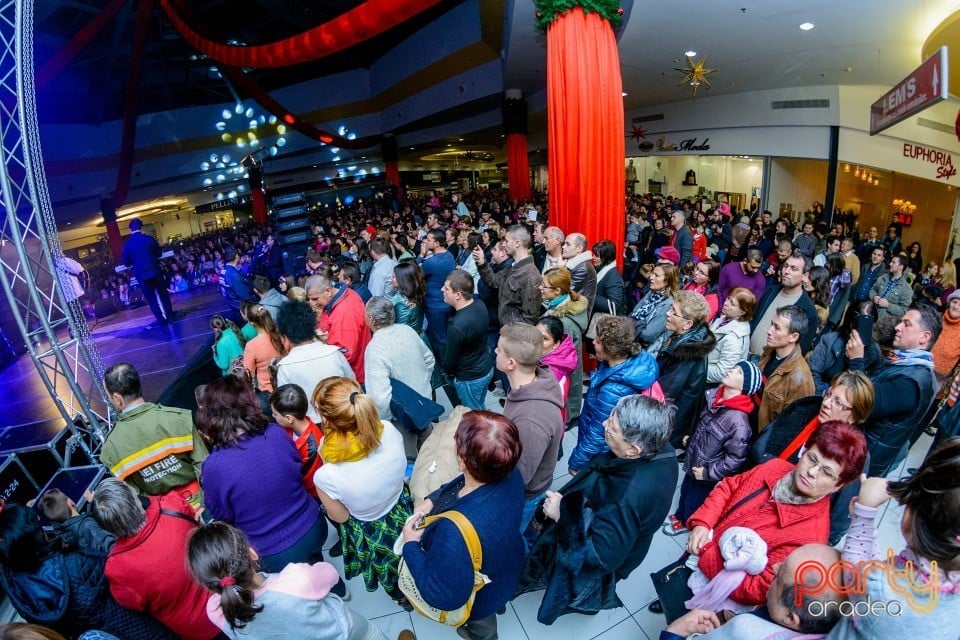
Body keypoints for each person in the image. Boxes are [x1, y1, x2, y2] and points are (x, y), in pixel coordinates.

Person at [652, 422, 867, 613]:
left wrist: (707, 551)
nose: (812, 472)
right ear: (804, 451)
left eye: (827, 472)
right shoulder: (776, 467)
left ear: (839, 485)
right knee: (674, 588)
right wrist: (703, 523)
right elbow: (729, 487)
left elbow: (757, 588)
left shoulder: (810, 538)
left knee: (684, 619)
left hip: (718, 595)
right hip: (701, 547)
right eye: (812, 459)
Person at [518, 395, 679, 623]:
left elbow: (601, 556)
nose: (605, 424)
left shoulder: (626, 499)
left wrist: (562, 517)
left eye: (612, 428)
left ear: (633, 450)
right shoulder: (659, 445)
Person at [196, 376, 345, 594]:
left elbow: (222, 515)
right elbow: (294, 466)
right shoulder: (275, 432)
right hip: (314, 525)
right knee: (316, 563)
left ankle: (323, 601)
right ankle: (337, 588)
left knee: (301, 592)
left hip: (271, 550)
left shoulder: (215, 466)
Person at [400, 411, 525, 640]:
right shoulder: (511, 474)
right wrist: (433, 499)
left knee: (482, 624)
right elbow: (465, 481)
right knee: (496, 599)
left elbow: (444, 596)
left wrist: (410, 545)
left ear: (462, 460)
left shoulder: (454, 534)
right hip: (506, 567)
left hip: (481, 596)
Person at [822, 437, 960, 639]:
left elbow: (856, 574)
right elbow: (887, 571)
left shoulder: (880, 590)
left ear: (913, 517)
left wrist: (864, 512)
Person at [188, 522, 389, 640]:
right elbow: (330, 574)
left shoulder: (214, 610)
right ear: (252, 554)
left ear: (208, 583)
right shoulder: (296, 579)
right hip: (345, 633)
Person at [0, 504, 173, 640]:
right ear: (35, 537)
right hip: (131, 626)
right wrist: (74, 518)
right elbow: (116, 562)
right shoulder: (74, 564)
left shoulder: (11, 583)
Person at [311, 378, 412, 603]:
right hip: (402, 506)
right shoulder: (388, 429)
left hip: (372, 528)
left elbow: (341, 516)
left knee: (388, 565)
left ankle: (401, 596)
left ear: (326, 420)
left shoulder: (327, 476)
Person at [91, 478, 221, 640]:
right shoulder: (172, 505)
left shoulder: (118, 568)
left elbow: (133, 604)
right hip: (228, 596)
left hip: (199, 630)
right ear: (134, 498)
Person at [658, 544, 846, 639]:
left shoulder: (745, 631)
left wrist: (675, 632)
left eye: (781, 576)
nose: (775, 567)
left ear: (790, 618)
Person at [663, 361, 760, 536]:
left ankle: (686, 522)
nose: (731, 371)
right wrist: (691, 437)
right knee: (685, 490)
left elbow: (735, 460)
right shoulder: (716, 397)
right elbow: (704, 423)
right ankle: (679, 515)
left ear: (745, 386)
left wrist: (708, 473)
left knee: (696, 499)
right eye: (734, 367)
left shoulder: (739, 422)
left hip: (706, 471)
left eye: (739, 372)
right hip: (695, 458)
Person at [99, 363, 208, 510]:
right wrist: (204, 508)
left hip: (164, 514)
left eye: (109, 397)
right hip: (200, 502)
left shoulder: (110, 448)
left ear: (117, 398)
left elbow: (135, 496)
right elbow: (204, 465)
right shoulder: (177, 418)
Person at [846, 306, 940, 476]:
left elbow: (863, 404)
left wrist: (856, 362)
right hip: (863, 448)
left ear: (924, 337)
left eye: (907, 324)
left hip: (866, 458)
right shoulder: (903, 363)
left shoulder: (911, 381)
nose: (898, 327)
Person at [496, 322, 565, 533]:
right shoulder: (534, 380)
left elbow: (519, 477)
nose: (495, 350)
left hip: (522, 497)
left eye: (499, 348)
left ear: (510, 363)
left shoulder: (530, 422)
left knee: (510, 538)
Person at [571, 316, 658, 473]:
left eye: (598, 341)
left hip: (601, 448)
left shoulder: (614, 389)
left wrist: (576, 462)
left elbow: (597, 433)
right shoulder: (632, 359)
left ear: (610, 349)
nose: (593, 342)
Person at [363, 296, 436, 456]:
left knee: (408, 467)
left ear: (371, 319)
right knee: (430, 458)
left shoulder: (375, 348)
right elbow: (429, 360)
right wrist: (422, 384)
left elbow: (379, 397)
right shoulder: (407, 331)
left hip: (401, 420)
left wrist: (385, 424)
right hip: (423, 405)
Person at [651, 290, 716, 447]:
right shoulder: (686, 337)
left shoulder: (686, 353)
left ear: (688, 324)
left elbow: (666, 391)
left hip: (669, 417)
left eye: (674, 312)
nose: (667, 313)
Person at [275, 298, 355, 423]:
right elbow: (352, 384)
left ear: (284, 336)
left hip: (311, 428)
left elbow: (287, 406)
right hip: (343, 418)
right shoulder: (334, 353)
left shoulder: (285, 367)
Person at [540, 267, 588, 427]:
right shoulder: (557, 307)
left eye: (544, 285)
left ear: (557, 290)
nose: (540, 288)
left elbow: (565, 363)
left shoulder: (565, 322)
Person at [441, 270, 494, 410]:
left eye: (446, 288)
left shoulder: (457, 326)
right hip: (486, 368)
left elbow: (449, 361)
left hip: (470, 378)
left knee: (474, 416)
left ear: (458, 295)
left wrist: (450, 375)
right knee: (479, 405)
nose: (442, 290)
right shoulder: (480, 304)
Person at [306, 272, 372, 383]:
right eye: (310, 299)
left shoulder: (344, 312)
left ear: (328, 291)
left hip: (353, 377)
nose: (312, 303)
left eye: (315, 299)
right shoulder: (340, 296)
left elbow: (345, 355)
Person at [757, 305, 815, 430]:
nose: (769, 331)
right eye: (771, 324)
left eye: (777, 328)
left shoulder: (800, 380)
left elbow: (790, 427)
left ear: (793, 337)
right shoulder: (769, 352)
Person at [751, 251, 819, 356]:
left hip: (767, 368)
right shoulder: (771, 291)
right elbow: (755, 318)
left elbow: (799, 351)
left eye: (794, 269)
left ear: (805, 276)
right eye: (785, 266)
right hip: (746, 354)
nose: (786, 271)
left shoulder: (808, 311)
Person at [474, 224, 543, 326]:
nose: (504, 244)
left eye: (506, 241)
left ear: (517, 243)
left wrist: (510, 335)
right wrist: (481, 263)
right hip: (503, 327)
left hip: (512, 334)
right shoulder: (512, 266)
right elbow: (493, 282)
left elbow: (530, 318)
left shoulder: (531, 275)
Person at [808, 302, 880, 393]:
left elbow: (864, 390)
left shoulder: (874, 353)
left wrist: (856, 360)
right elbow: (813, 373)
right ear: (851, 322)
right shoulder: (829, 340)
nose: (863, 329)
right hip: (821, 392)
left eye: (868, 325)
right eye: (860, 322)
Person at [270, 384, 325, 499]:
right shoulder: (288, 428)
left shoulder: (312, 447)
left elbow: (308, 482)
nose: (272, 416)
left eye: (275, 414)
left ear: (289, 418)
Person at [121, 218, 174, 328]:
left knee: (151, 300)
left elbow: (126, 263)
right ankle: (170, 317)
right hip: (155, 271)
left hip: (142, 276)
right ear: (141, 228)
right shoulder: (149, 239)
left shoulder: (128, 244)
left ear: (130, 229)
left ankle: (161, 321)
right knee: (163, 295)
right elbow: (159, 254)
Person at [418, 228, 457, 357]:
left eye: (428, 240)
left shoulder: (432, 263)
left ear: (437, 243)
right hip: (446, 302)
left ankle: (445, 368)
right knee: (443, 335)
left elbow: (415, 275)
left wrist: (421, 256)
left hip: (435, 305)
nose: (425, 242)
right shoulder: (449, 255)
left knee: (439, 339)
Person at [705, 287, 755, 385]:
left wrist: (694, 368)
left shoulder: (734, 339)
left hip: (708, 385)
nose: (726, 303)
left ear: (742, 312)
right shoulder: (724, 319)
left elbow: (722, 373)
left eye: (732, 303)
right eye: (728, 298)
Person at [535, 315, 579, 424]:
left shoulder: (552, 373)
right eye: (535, 335)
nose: (536, 341)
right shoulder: (548, 358)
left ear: (556, 344)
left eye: (544, 338)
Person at [241, 303, 285, 400]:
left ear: (251, 323)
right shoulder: (282, 335)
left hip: (268, 392)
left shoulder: (252, 346)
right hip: (286, 384)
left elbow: (248, 373)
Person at [630, 263, 678, 346]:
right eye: (652, 273)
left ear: (667, 281)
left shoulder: (668, 304)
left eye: (656, 275)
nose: (651, 277)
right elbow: (635, 311)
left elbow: (647, 335)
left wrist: (632, 325)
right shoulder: (652, 292)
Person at [560, 232, 598, 311]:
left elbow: (563, 292)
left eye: (568, 244)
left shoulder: (582, 268)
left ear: (579, 248)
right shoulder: (575, 265)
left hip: (576, 313)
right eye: (564, 244)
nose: (563, 247)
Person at [870, 253, 913, 320]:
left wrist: (888, 305)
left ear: (901, 266)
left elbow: (904, 311)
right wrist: (874, 297)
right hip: (871, 315)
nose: (890, 264)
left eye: (893, 262)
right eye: (891, 261)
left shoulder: (906, 288)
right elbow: (873, 290)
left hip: (885, 323)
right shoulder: (882, 278)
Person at [932, 290, 960, 387]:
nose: (956, 307)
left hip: (941, 379)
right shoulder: (936, 318)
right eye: (954, 302)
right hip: (920, 366)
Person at [390, 261, 427, 333]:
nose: (391, 279)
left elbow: (400, 330)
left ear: (401, 280)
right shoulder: (415, 293)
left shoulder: (402, 303)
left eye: (394, 277)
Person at [591, 239, 626, 316]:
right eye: (593, 254)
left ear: (606, 258)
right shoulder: (598, 269)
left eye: (597, 256)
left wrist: (589, 295)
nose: (593, 257)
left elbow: (614, 305)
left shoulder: (613, 277)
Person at [220, 246, 255, 319]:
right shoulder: (234, 275)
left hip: (232, 305)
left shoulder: (223, 271)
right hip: (241, 308)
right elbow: (245, 295)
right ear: (236, 256)